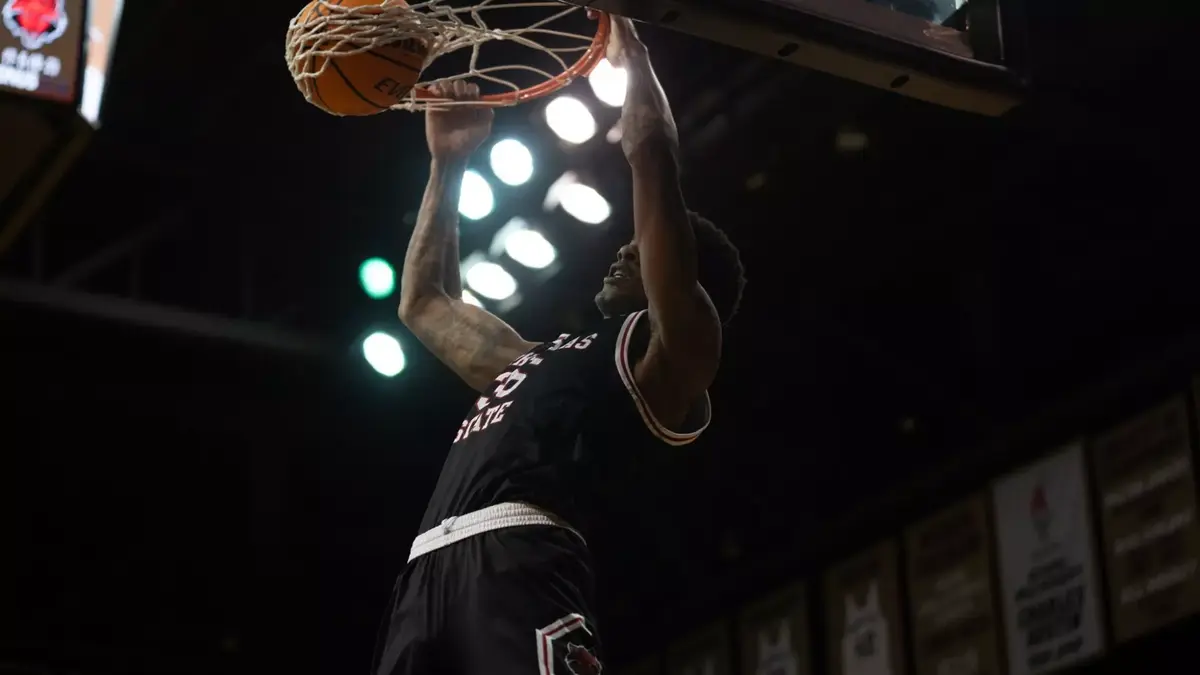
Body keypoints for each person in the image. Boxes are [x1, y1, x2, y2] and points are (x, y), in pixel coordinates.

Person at [371, 16, 746, 675]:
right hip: (425, 568)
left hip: (521, 558)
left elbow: (652, 159)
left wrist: (635, 56)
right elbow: (424, 301)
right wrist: (447, 163)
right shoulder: (540, 359)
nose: (619, 255)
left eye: (637, 252)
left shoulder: (676, 351)